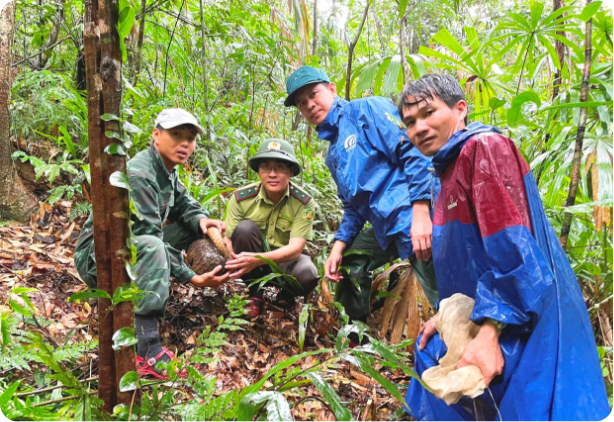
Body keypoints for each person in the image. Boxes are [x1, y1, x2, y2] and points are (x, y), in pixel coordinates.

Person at [399, 74, 610, 421]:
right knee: (432, 361)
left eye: (428, 113)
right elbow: (470, 259)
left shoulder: (482, 149)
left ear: (460, 109)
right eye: (410, 122)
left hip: (524, 311)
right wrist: (446, 315)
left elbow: (513, 249)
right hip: (493, 310)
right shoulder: (445, 171)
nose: (419, 128)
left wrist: (489, 333)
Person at [284, 66, 439, 342]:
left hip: (416, 216)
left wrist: (421, 214)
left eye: (313, 94)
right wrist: (338, 247)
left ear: (331, 89)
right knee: (351, 259)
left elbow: (415, 150)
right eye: (301, 103)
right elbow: (353, 208)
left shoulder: (366, 110)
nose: (309, 105)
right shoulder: (333, 154)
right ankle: (355, 338)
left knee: (445, 297)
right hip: (385, 228)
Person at [74, 109, 230, 379]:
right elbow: (150, 238)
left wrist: (202, 220)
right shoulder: (141, 174)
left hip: (129, 246)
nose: (185, 143)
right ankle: (146, 348)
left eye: (190, 138)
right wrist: (192, 277)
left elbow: (183, 203)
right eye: (176, 135)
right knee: (152, 245)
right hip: (96, 257)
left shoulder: (166, 170)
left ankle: (146, 300)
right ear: (156, 135)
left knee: (182, 229)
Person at [223, 139, 319, 317]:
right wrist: (237, 260)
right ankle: (255, 294)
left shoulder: (303, 202)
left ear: (291, 171)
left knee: (308, 274)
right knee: (244, 230)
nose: (272, 174)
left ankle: (286, 297)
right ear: (259, 171)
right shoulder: (241, 198)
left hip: (287, 261)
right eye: (266, 167)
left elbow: (296, 249)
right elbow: (228, 240)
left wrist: (258, 259)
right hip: (252, 263)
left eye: (280, 167)